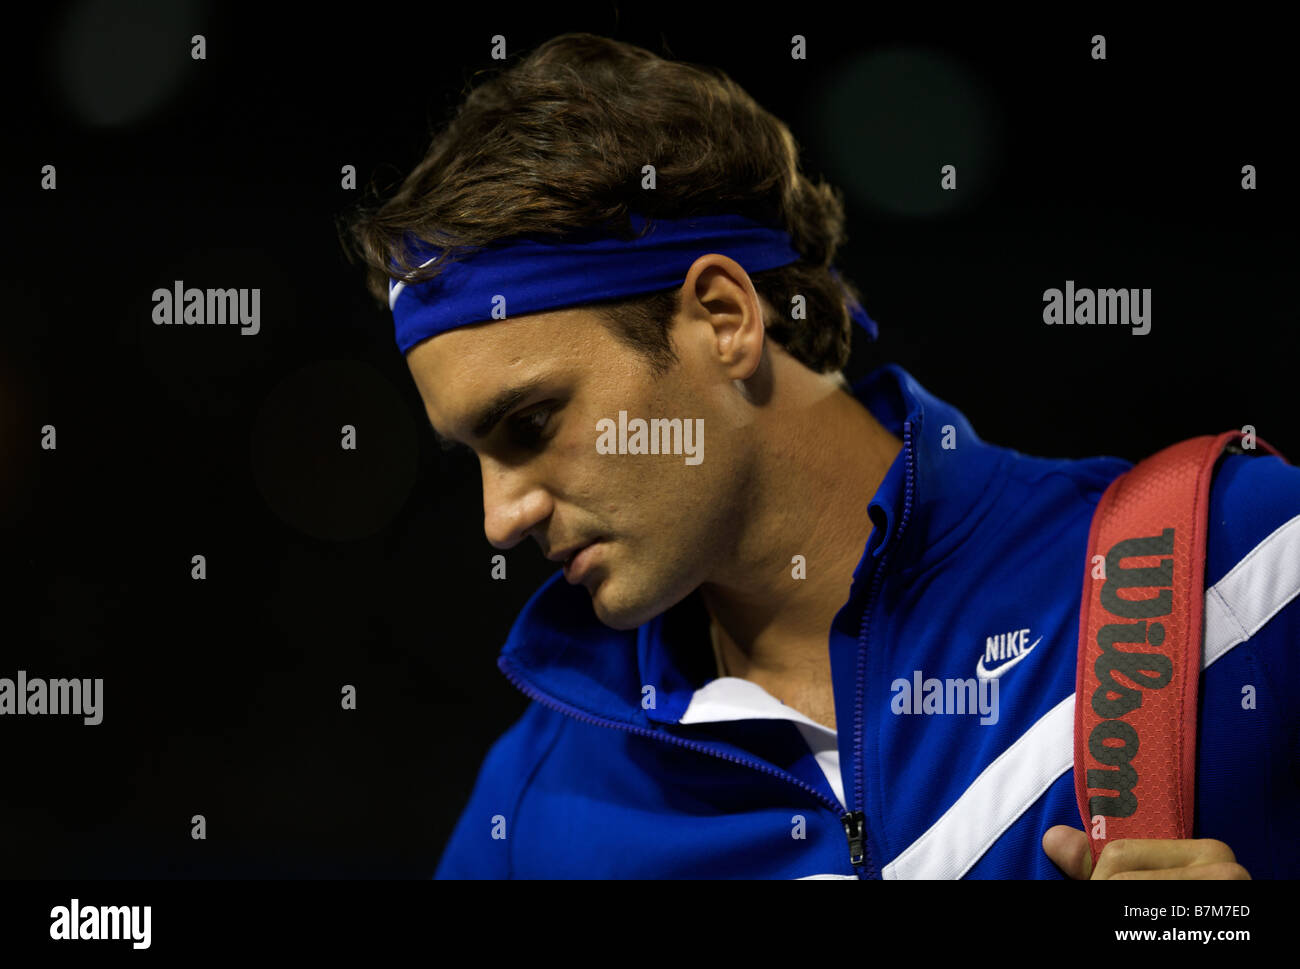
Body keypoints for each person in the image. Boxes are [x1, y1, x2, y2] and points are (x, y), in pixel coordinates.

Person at [343, 33, 1299, 879]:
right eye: (471, 454)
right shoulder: (535, 814)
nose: (499, 517)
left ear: (723, 319)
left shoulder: (1246, 563)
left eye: (531, 422)